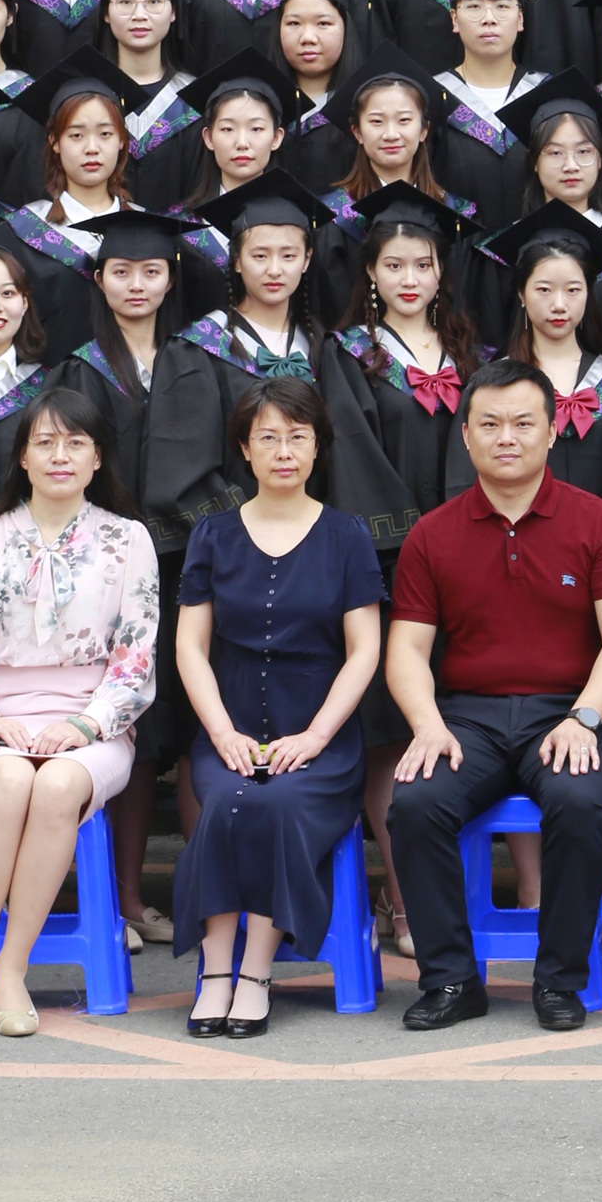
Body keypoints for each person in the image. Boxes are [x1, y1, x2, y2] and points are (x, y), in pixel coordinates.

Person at [383, 368, 602, 1033]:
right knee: (414, 805)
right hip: (467, 718)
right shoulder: (433, 534)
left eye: (524, 423)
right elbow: (407, 648)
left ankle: (559, 980)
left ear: (553, 432)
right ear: (467, 437)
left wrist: (585, 717)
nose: (507, 437)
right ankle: (450, 980)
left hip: (568, 713)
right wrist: (427, 725)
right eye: (491, 424)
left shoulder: (598, 522)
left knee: (579, 804)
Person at [0, 388, 159, 1038]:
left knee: (55, 785)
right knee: (6, 779)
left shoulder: (128, 539)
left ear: (96, 458)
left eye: (75, 443)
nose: (60, 456)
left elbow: (135, 664)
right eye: (45, 442)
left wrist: (85, 725)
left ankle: (11, 968)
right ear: (22, 457)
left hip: (95, 723)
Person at [172, 372, 384, 1037]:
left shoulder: (347, 535)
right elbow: (190, 647)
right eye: (267, 438)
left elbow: (365, 651)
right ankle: (214, 972)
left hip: (319, 736)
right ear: (244, 448)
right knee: (228, 799)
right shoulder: (212, 535)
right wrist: (221, 734)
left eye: (297, 437)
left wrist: (316, 737)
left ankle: (255, 973)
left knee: (278, 802)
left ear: (319, 446)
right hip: (229, 727)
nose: (283, 451)